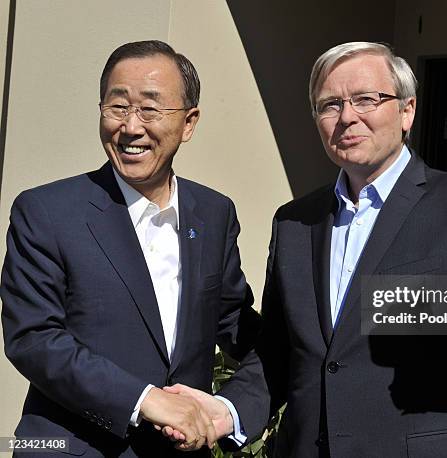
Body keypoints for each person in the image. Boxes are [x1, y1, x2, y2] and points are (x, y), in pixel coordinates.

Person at [166, 42, 447, 457]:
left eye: (366, 99)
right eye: (330, 105)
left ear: (407, 112)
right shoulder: (294, 222)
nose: (347, 117)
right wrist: (227, 412)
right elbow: (281, 352)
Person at [1, 40, 259, 457]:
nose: (131, 126)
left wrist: (237, 406)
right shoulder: (46, 211)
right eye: (117, 107)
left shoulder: (214, 213)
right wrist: (145, 399)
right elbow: (34, 338)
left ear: (189, 122)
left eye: (151, 109)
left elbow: (234, 321)